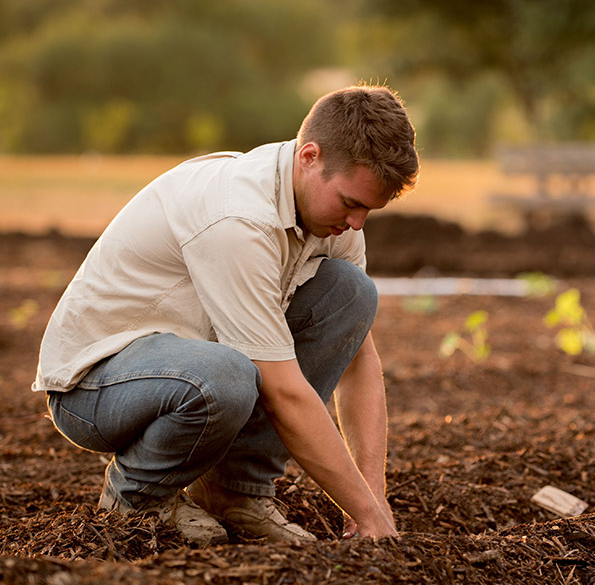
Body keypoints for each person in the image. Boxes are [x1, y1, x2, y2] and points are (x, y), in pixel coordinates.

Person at [33, 85, 419, 546]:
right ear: (309, 157)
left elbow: (357, 358)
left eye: (368, 210)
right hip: (94, 386)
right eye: (351, 203)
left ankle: (235, 492)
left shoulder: (332, 221)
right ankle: (138, 497)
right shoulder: (237, 218)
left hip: (190, 364)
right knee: (228, 376)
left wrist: (373, 500)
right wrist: (362, 511)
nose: (357, 223)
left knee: (351, 293)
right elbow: (283, 393)